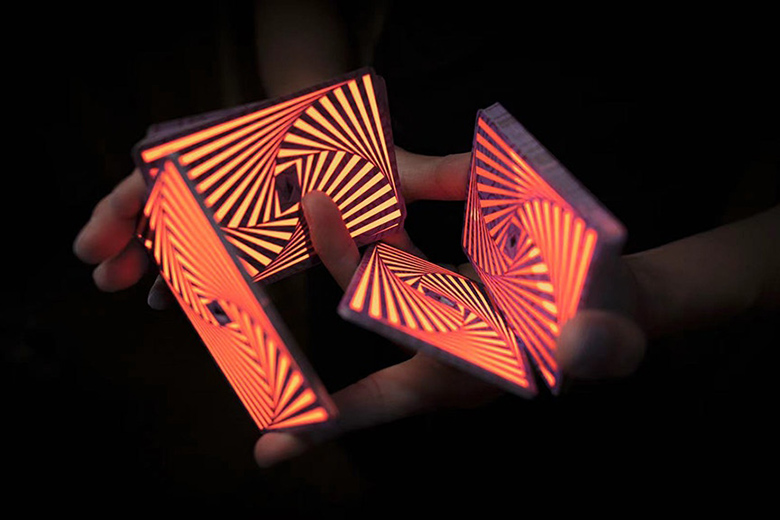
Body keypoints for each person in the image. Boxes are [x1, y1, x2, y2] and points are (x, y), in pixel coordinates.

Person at [74, 1, 779, 470]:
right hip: (363, 219)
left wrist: (657, 289)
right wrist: (316, 124)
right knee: (384, 434)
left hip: (612, 273)